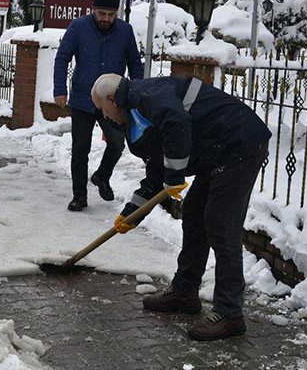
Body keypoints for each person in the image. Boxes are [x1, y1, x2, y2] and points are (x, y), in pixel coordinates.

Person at [91, 73, 272, 341]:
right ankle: (185, 292)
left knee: (221, 227)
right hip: (214, 153)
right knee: (194, 217)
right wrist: (131, 214)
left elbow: (177, 122)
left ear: (111, 99)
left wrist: (174, 176)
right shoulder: (136, 119)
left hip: (239, 144)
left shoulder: (148, 94)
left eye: (103, 110)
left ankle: (230, 314)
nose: (104, 117)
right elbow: (155, 173)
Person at [53, 0, 143, 212]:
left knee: (116, 143)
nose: (105, 19)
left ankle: (102, 176)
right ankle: (79, 195)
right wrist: (59, 89)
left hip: (112, 101)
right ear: (93, 10)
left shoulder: (125, 31)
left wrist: (137, 92)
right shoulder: (78, 27)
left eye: (110, 15)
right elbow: (62, 57)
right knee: (80, 149)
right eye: (101, 13)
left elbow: (134, 62)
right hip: (83, 99)